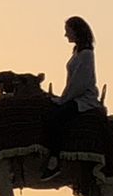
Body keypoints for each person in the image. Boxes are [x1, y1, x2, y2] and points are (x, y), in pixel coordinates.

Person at [42, 16, 99, 178]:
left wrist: (63, 100)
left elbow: (79, 84)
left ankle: (55, 159)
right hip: (73, 96)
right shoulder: (77, 52)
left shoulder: (86, 54)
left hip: (84, 99)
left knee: (56, 118)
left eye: (68, 31)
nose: (66, 35)